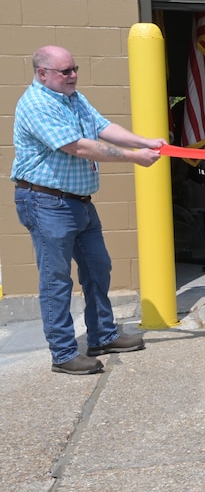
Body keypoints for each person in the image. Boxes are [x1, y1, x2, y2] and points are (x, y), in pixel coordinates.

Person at [12, 45, 164, 375]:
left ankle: (102, 336)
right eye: (65, 71)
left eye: (75, 68)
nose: (73, 75)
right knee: (56, 280)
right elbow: (78, 146)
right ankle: (64, 353)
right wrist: (134, 157)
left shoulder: (72, 98)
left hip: (79, 203)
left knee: (99, 269)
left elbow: (100, 126)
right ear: (42, 74)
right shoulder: (37, 104)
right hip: (47, 202)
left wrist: (143, 142)